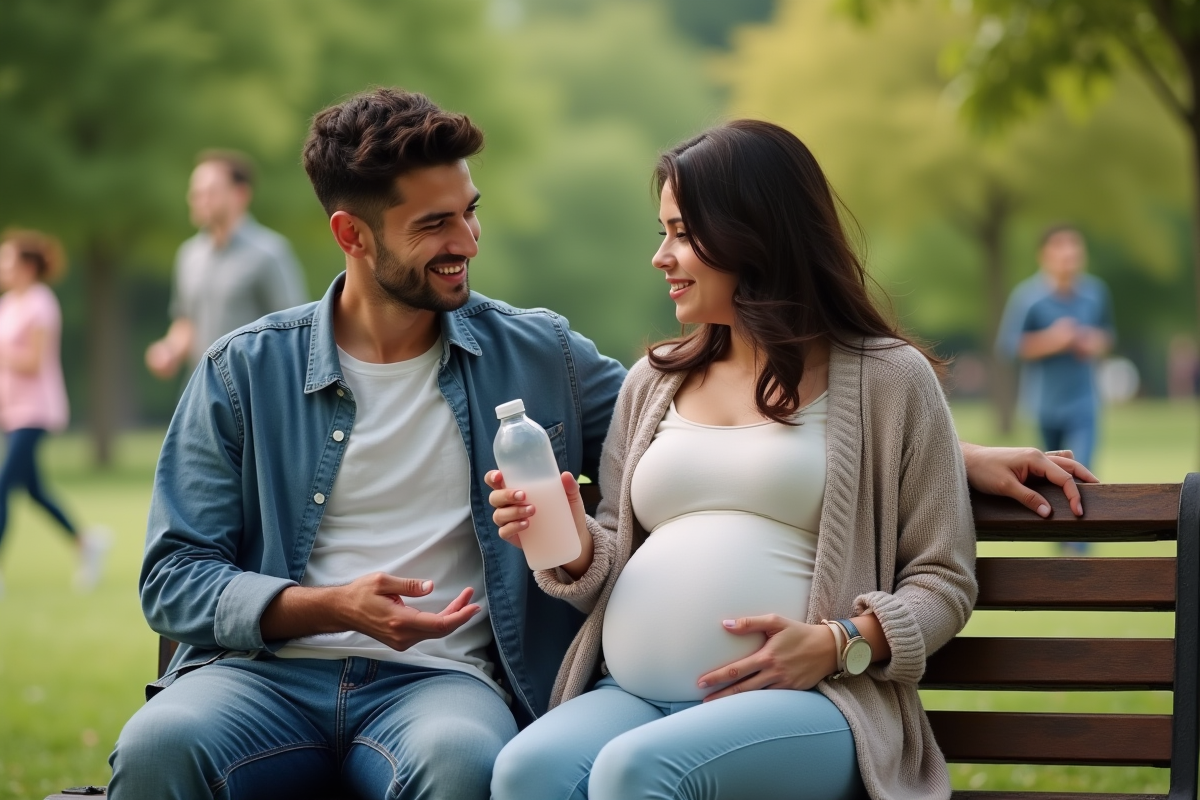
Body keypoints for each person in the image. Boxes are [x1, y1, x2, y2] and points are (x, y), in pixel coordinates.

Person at [109, 90, 1092, 800]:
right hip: (266, 678)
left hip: (444, 687)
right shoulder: (245, 371)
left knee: (480, 765)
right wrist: (330, 604)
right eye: (436, 224)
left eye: (472, 211)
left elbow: (786, 431)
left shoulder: (536, 353)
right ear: (353, 236)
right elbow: (174, 573)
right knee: (167, 747)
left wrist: (955, 460)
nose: (468, 241)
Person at [484, 120, 1039, 800]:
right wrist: (569, 545)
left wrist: (840, 642)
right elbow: (610, 565)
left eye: (683, 233)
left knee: (636, 774)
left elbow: (942, 581)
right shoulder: (652, 382)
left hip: (816, 702)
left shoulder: (889, 380)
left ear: (756, 235)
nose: (661, 256)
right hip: (630, 693)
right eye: (662, 232)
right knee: (523, 771)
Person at [0, 230, 108, 595]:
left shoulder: (40, 304)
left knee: (3, 486)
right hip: (9, 412)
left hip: (35, 411)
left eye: (8, 259)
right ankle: (86, 543)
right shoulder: (7, 305)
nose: (2, 267)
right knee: (33, 490)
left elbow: (32, 360)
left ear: (28, 266)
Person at [144, 150, 308, 380]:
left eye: (209, 192)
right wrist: (169, 351)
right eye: (195, 192)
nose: (198, 199)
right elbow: (186, 322)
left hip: (253, 394)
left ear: (240, 194)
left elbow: (293, 331)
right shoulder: (189, 255)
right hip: (200, 391)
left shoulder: (270, 254)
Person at [997, 225, 1114, 472]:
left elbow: (1107, 338)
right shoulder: (1028, 298)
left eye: (1074, 247)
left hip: (1084, 402)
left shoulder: (1096, 293)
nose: (1068, 254)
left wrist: (1092, 342)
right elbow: (1009, 347)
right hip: (1044, 405)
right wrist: (1053, 340)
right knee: (1052, 474)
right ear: (1044, 255)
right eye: (1060, 247)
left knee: (1083, 472)